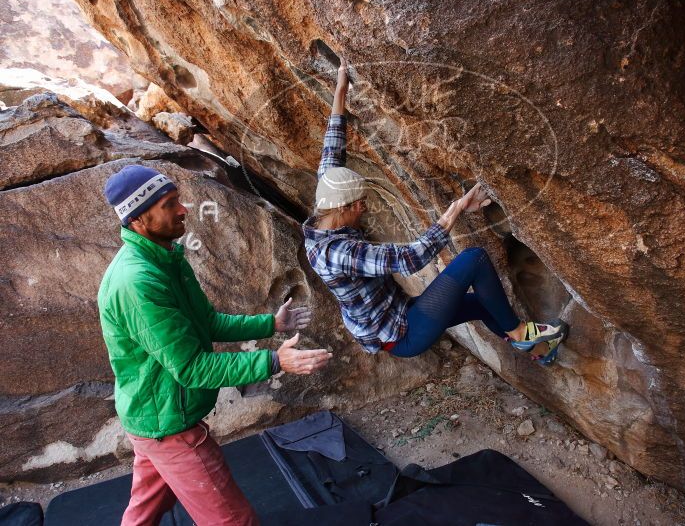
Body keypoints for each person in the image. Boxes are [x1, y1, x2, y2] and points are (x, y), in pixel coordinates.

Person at [98, 164, 332, 526]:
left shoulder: (165, 258)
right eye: (170, 204)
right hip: (169, 427)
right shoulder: (138, 282)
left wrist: (271, 323)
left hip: (152, 415)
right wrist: (274, 362)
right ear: (140, 219)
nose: (183, 209)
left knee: (144, 511)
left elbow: (206, 322)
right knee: (231, 519)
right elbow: (192, 368)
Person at [302, 60, 568, 362]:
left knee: (484, 304)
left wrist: (340, 90)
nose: (364, 206)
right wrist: (456, 209)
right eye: (359, 203)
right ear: (343, 207)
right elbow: (410, 259)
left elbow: (331, 152)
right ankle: (521, 334)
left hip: (401, 313)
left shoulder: (325, 209)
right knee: (474, 259)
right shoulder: (338, 253)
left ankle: (538, 352)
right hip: (403, 334)